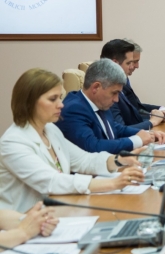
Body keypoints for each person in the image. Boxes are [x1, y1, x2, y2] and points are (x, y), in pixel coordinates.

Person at [0, 68, 145, 212]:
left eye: (60, 97)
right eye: (53, 99)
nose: (61, 104)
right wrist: (113, 183)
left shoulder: (50, 130)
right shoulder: (13, 142)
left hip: (55, 212)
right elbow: (52, 181)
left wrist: (119, 160)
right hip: (24, 220)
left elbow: (84, 160)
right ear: (29, 102)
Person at [56, 59, 165, 155]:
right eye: (114, 93)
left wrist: (146, 134)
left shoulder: (99, 102)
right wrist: (137, 140)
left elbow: (115, 128)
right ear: (96, 87)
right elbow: (93, 147)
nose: (116, 100)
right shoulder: (73, 109)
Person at [101, 39, 165, 130]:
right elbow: (119, 130)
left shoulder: (119, 82)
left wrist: (157, 116)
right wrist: (152, 122)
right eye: (129, 63)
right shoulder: (106, 90)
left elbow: (135, 112)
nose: (133, 66)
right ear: (114, 63)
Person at [123, 38, 165, 116]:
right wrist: (154, 118)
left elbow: (136, 106)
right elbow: (130, 115)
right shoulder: (117, 83)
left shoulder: (125, 79)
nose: (137, 66)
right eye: (134, 62)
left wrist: (162, 109)